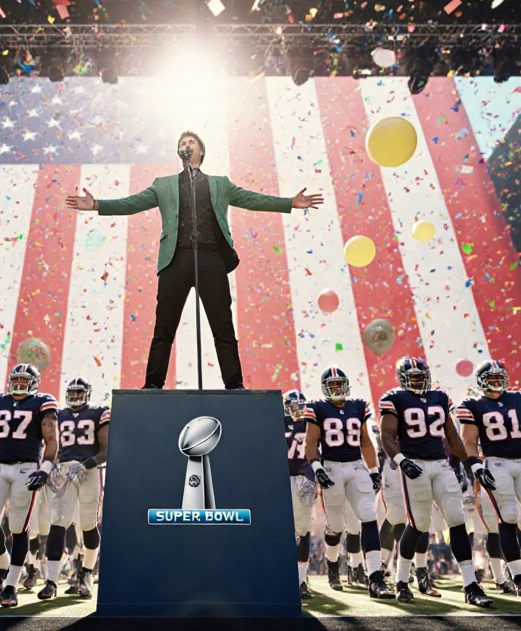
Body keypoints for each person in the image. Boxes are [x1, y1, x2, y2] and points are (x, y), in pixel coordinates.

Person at [65, 131, 324, 389]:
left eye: (191, 142)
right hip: (175, 259)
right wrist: (97, 205)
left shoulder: (220, 184)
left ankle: (234, 385)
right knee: (164, 325)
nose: (186, 145)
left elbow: (251, 199)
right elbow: (133, 203)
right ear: (179, 153)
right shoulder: (163, 185)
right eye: (182, 143)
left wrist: (289, 203)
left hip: (211, 258)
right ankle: (153, 385)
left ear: (201, 150)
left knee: (222, 325)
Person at [378, 357, 495, 608]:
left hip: (441, 464)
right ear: (403, 379)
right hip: (414, 463)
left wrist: (472, 464)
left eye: (421, 377)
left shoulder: (440, 398)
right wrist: (401, 459)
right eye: (414, 377)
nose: (419, 381)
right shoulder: (395, 398)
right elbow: (386, 435)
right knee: (419, 524)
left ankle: (470, 585)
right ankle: (401, 581)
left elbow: (453, 438)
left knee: (457, 519)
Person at [453, 361, 521, 601]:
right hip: (495, 463)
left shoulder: (518, 399)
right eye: (491, 378)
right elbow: (469, 441)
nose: (496, 382)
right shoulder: (472, 404)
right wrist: (476, 466)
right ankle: (520, 580)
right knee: (509, 517)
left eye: (499, 377)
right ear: (481, 381)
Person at [0, 363, 59, 607]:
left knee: (19, 526)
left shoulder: (42, 403)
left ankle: (11, 585)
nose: (18, 384)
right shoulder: (0, 401)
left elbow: (51, 439)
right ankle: (3, 564)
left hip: (26, 468)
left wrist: (45, 469)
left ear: (34, 383)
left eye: (23, 380)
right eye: (15, 379)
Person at [302, 366, 392, 599]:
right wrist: (317, 467)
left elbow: (365, 442)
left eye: (339, 384)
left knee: (368, 516)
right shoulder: (317, 408)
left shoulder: (358, 406)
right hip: (331, 467)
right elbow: (310, 443)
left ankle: (375, 578)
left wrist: (374, 470)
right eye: (331, 385)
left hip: (356, 466)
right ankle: (333, 566)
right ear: (324, 388)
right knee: (336, 525)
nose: (336, 389)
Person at [42, 377, 110, 600]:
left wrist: (86, 464)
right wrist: (48, 468)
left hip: (89, 470)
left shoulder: (99, 412)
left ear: (88, 394)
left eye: (79, 393)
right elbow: (51, 445)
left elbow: (107, 449)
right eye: (72, 393)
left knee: (89, 523)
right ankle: (51, 581)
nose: (75, 397)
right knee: (57, 521)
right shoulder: (58, 415)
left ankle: (87, 572)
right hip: (64, 470)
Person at [283, 389, 316, 599]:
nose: (298, 409)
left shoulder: (311, 423)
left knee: (303, 528)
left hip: (304, 478)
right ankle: (284, 575)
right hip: (281, 478)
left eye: (301, 405)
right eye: (294, 406)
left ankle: (301, 580)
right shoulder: (276, 423)